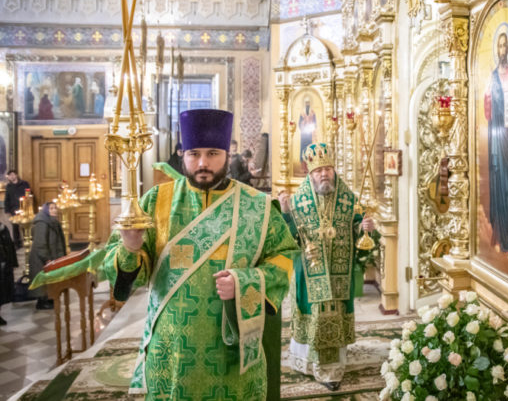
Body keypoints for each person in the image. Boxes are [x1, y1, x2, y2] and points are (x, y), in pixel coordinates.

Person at [102, 109, 299, 399]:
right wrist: (130, 248)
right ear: (182, 154)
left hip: (232, 349)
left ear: (226, 155)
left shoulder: (257, 205)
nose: (203, 163)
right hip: (172, 350)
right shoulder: (157, 201)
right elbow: (128, 272)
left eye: (212, 153)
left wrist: (246, 282)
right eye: (194, 153)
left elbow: (284, 255)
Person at [279, 143, 378, 391]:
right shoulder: (297, 201)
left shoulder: (348, 199)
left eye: (328, 169)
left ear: (334, 171)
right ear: (310, 174)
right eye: (318, 170)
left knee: (333, 313)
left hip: (338, 274)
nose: (324, 174)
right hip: (308, 274)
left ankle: (333, 367)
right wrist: (285, 212)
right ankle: (306, 362)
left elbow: (361, 233)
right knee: (313, 315)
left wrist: (366, 228)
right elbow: (287, 239)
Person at [483, 30, 508, 255]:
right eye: (500, 46)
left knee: (507, 183)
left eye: (506, 46)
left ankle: (507, 235)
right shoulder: (493, 75)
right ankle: (498, 233)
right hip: (495, 134)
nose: (503, 50)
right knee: (497, 179)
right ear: (497, 50)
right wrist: (491, 97)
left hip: (506, 135)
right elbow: (487, 111)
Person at [29, 202, 66, 310]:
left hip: (50, 255)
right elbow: (40, 243)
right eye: (51, 208)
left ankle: (49, 298)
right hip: (41, 257)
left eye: (55, 207)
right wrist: (47, 258)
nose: (54, 210)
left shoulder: (52, 221)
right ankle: (42, 301)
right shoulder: (42, 222)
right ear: (45, 210)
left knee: (48, 280)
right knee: (42, 280)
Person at [4, 170, 31, 249]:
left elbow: (28, 194)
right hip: (14, 209)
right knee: (15, 226)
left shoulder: (24, 184)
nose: (12, 176)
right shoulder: (8, 186)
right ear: (8, 177)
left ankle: (27, 240)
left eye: (13, 175)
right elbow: (7, 199)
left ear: (16, 175)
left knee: (25, 225)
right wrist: (7, 210)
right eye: (10, 175)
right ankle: (17, 244)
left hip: (23, 208)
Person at [0, 222, 16, 325]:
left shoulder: (3, 228)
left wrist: (12, 262)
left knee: (2, 291)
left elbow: (10, 246)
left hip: (4, 264)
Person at [297, 96, 317, 164]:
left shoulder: (312, 112)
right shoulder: (302, 112)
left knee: (310, 148)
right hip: (304, 134)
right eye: (306, 103)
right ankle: (303, 167)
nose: (307, 104)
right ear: (304, 103)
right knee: (303, 149)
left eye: (308, 102)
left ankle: (311, 165)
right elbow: (299, 123)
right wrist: (303, 123)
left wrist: (312, 125)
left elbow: (315, 122)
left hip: (311, 134)